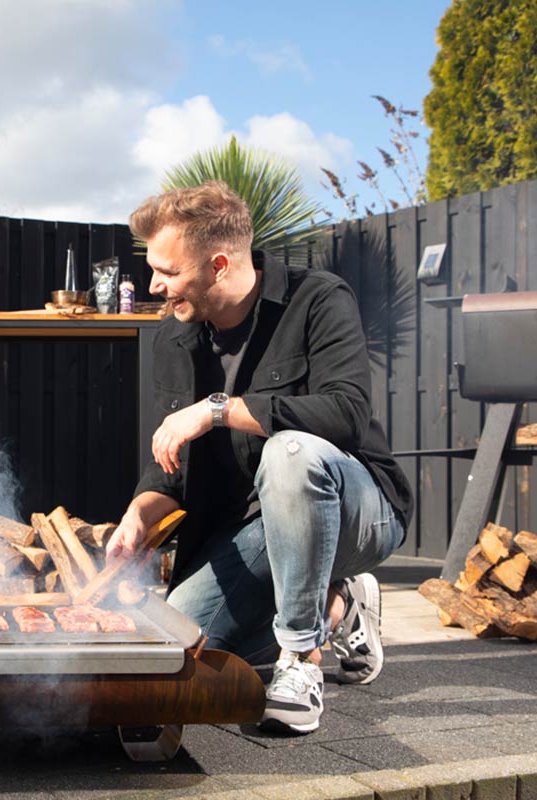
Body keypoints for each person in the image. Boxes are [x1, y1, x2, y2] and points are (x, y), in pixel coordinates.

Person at [106, 182, 413, 734]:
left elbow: (345, 414)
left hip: (358, 511)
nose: (154, 286)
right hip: (256, 530)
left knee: (290, 453)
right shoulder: (173, 339)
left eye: (167, 272)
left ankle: (301, 662)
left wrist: (217, 409)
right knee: (183, 646)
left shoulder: (318, 299)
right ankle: (340, 603)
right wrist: (138, 515)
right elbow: (168, 465)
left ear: (219, 264)